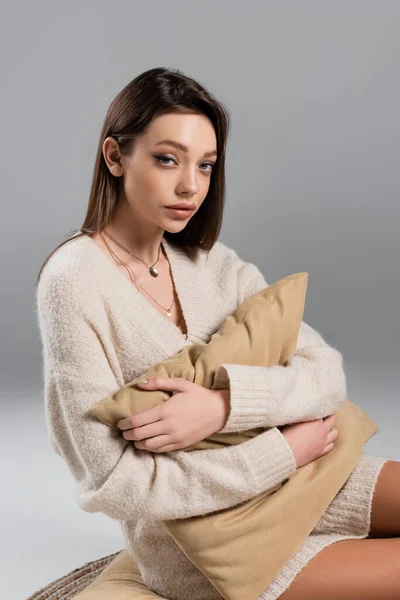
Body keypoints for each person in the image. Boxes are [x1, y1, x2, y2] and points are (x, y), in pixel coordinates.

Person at [35, 67, 399, 599]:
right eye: (167, 159)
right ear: (115, 157)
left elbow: (326, 375)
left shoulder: (213, 266)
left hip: (312, 478)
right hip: (213, 543)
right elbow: (117, 484)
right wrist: (281, 452)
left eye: (205, 166)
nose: (191, 186)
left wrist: (224, 407)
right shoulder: (74, 283)